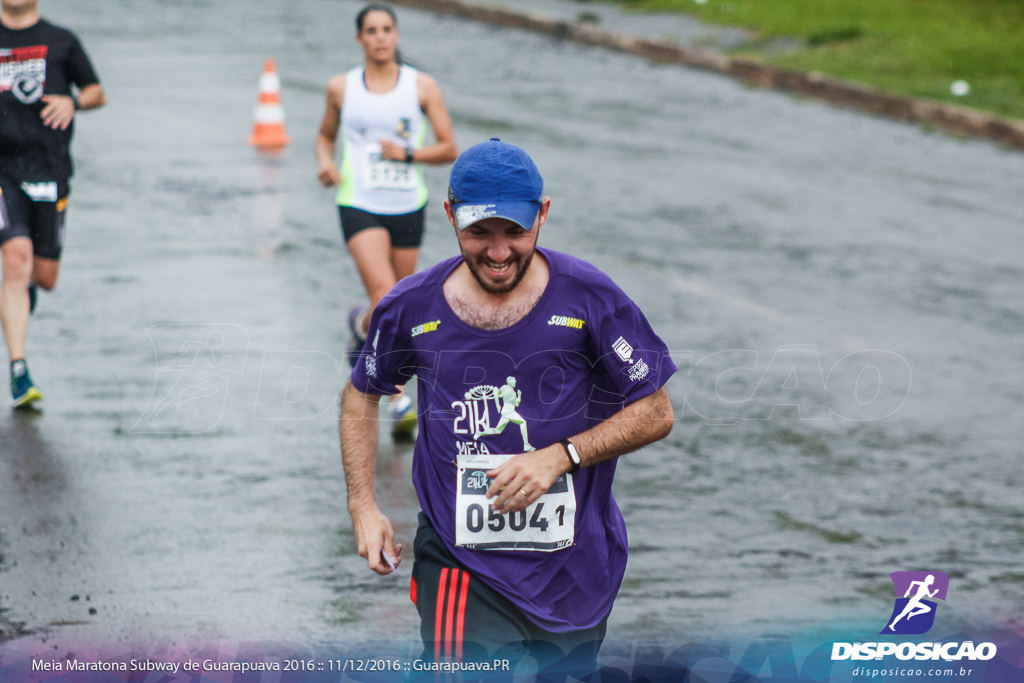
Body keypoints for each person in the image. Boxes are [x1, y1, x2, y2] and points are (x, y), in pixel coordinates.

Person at [339, 138, 677, 669]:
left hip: (575, 570)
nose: (498, 254)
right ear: (450, 216)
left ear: (542, 215)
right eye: (479, 233)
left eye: (515, 233)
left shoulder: (589, 298)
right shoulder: (412, 306)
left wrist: (558, 457)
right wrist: (363, 505)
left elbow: (656, 411)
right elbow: (362, 393)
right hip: (460, 563)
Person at [315, 2, 457, 436]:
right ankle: (396, 398)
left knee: (398, 302)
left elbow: (449, 147)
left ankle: (361, 330)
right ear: (360, 39)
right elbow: (324, 136)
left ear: (396, 36)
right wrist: (326, 163)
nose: (379, 37)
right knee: (383, 292)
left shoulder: (421, 87)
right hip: (358, 200)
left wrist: (409, 153)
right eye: (371, 31)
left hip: (406, 203)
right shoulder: (342, 88)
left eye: (386, 29)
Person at [0, 0, 106, 407]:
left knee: (41, 277)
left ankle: (14, 305)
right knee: (15, 258)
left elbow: (97, 91)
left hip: (49, 170)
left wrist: (74, 102)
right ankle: (19, 371)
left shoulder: (61, 41)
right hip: (3, 171)